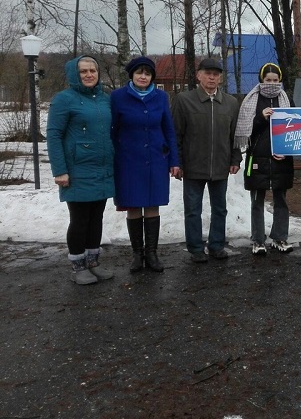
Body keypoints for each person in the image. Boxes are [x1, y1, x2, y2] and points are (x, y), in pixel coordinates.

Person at [47, 55, 115, 284]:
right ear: (74, 74)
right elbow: (54, 135)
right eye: (83, 71)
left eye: (92, 70)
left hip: (102, 168)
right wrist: (59, 170)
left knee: (96, 217)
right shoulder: (64, 99)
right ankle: (78, 266)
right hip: (77, 170)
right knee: (80, 219)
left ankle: (93, 262)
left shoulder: (104, 99)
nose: (89, 75)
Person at [111, 56, 180, 273]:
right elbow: (112, 130)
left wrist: (174, 160)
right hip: (128, 161)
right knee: (133, 205)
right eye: (139, 72)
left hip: (156, 159)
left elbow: (169, 130)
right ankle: (137, 254)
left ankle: (151, 253)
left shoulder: (161, 97)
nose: (143, 77)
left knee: (152, 205)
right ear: (131, 75)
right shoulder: (118, 97)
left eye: (147, 73)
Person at [171, 57, 241, 263]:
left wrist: (235, 159)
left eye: (216, 74)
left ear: (220, 78)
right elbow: (176, 134)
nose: (212, 77)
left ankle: (217, 245)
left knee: (220, 209)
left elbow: (235, 135)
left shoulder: (230, 103)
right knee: (193, 210)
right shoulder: (184, 100)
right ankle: (195, 249)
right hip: (193, 165)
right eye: (208, 73)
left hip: (220, 164)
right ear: (198, 76)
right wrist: (177, 162)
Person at [235, 63, 295, 254]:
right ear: (262, 80)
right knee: (257, 201)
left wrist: (286, 151)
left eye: (275, 80)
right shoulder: (251, 99)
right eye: (268, 80)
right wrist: (261, 117)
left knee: (281, 200)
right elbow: (245, 130)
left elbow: (295, 129)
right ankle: (258, 240)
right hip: (257, 157)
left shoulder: (286, 99)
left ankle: (280, 237)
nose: (272, 83)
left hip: (281, 158)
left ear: (280, 80)